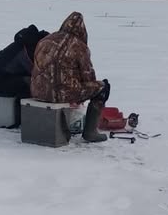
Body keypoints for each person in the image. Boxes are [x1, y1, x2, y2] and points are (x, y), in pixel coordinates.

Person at [31, 11, 110, 142]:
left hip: (38, 91)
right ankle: (90, 132)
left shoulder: (45, 40)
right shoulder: (79, 46)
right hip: (61, 94)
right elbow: (89, 79)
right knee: (102, 87)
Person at [0, 24, 49, 98]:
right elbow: (35, 72)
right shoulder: (29, 48)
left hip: (3, 75)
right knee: (36, 86)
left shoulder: (29, 42)